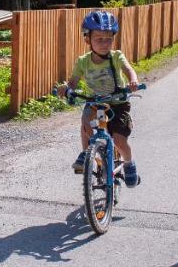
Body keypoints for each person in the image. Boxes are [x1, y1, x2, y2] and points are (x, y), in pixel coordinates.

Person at [58, 10, 142, 187]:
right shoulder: (83, 61)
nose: (105, 44)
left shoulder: (116, 56)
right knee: (86, 120)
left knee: (119, 141)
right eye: (99, 39)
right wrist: (67, 88)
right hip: (96, 102)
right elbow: (73, 81)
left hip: (118, 102)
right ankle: (87, 154)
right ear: (87, 39)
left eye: (108, 39)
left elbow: (128, 70)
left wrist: (133, 80)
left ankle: (129, 163)